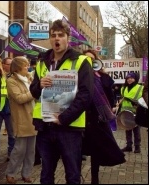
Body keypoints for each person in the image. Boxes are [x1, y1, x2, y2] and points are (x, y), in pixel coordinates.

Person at [29, 19, 94, 184]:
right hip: (45, 126)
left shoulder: (80, 61)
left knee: (72, 174)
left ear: (67, 38)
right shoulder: (42, 61)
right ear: (50, 39)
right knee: (46, 174)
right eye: (53, 36)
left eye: (60, 35)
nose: (56, 39)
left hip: (70, 129)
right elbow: (33, 91)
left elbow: (86, 95)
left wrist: (64, 118)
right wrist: (39, 85)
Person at [82, 50, 126, 184]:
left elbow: (111, 97)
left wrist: (104, 76)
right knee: (78, 149)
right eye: (86, 59)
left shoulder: (102, 77)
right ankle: (75, 175)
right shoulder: (78, 76)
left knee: (96, 149)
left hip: (98, 119)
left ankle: (95, 177)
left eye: (92, 59)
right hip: (82, 117)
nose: (89, 62)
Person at [5, 56, 37, 184]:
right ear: (18, 67)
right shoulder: (12, 81)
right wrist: (35, 92)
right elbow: (19, 98)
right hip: (22, 119)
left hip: (34, 118)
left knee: (31, 150)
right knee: (19, 149)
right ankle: (10, 173)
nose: (28, 67)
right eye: (25, 65)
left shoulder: (29, 78)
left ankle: (26, 173)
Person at [0, 57, 15, 162]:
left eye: (11, 64)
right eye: (8, 64)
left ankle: (11, 153)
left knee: (12, 133)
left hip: (10, 108)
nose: (10, 66)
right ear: (3, 64)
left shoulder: (15, 76)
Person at [119, 72, 143, 153]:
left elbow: (143, 100)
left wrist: (133, 101)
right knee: (127, 129)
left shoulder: (140, 88)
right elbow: (122, 100)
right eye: (128, 78)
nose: (129, 80)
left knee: (136, 130)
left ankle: (137, 147)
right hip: (125, 112)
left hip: (136, 112)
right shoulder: (123, 88)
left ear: (135, 79)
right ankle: (129, 146)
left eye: (131, 78)